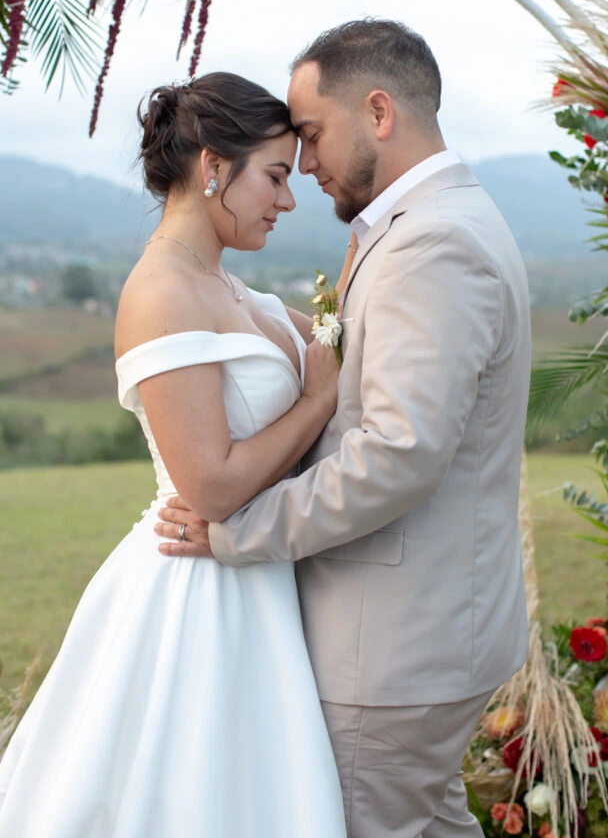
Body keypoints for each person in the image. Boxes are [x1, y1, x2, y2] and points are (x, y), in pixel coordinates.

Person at [157, 20, 533, 838]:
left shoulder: (432, 243)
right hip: (423, 629)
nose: (308, 162)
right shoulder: (426, 224)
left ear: (378, 112)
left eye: (315, 135)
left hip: (394, 643)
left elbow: (396, 455)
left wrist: (238, 534)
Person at [0, 72, 348, 838]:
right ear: (212, 166)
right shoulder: (161, 293)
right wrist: (316, 402)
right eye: (277, 176)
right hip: (197, 591)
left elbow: (342, 333)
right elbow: (212, 485)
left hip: (261, 577)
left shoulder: (232, 288)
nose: (288, 201)